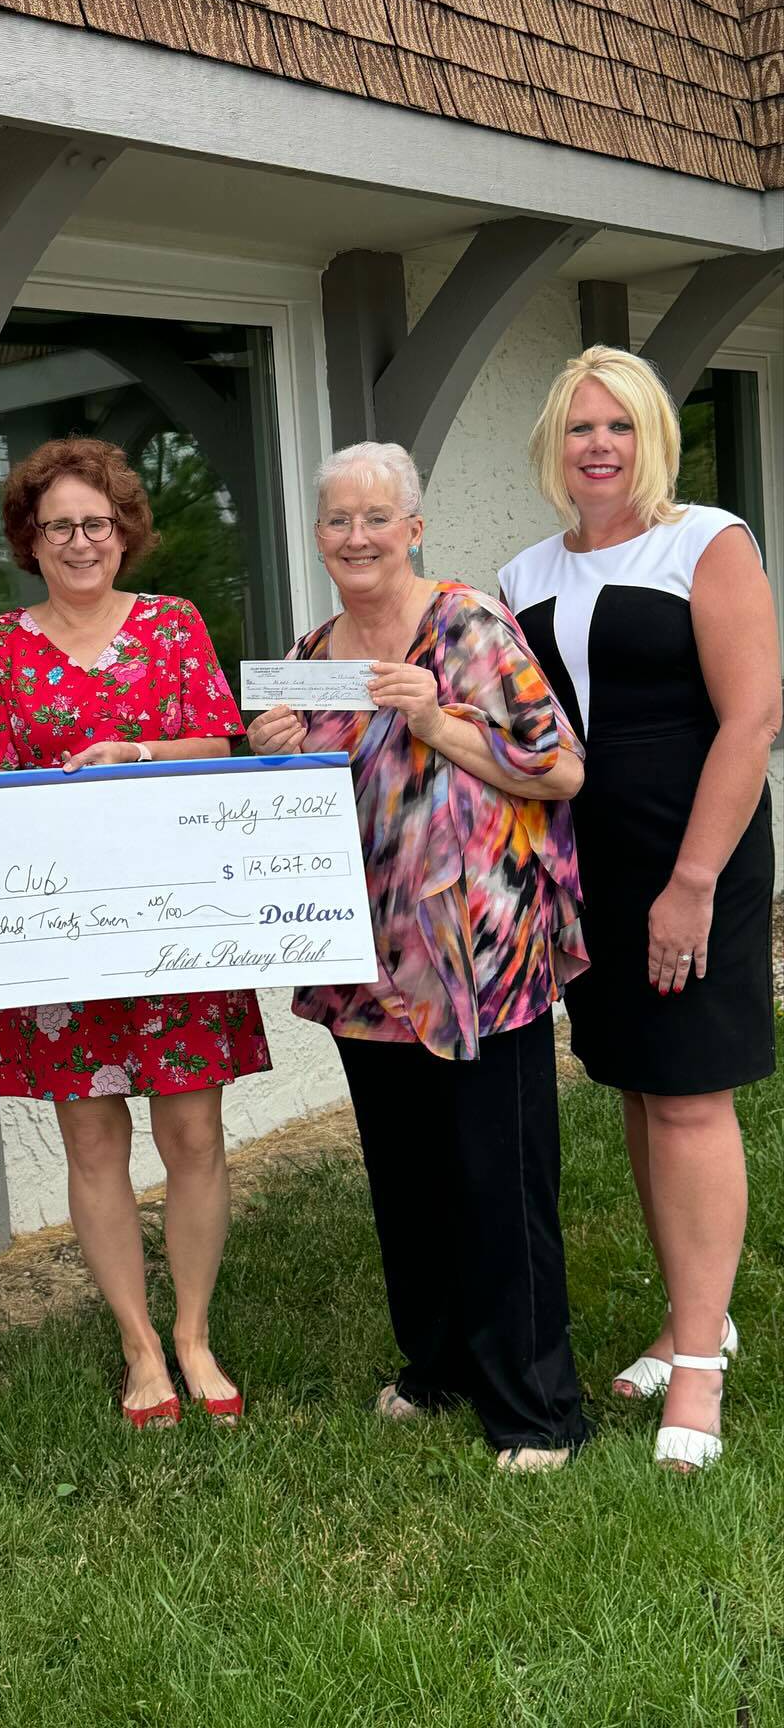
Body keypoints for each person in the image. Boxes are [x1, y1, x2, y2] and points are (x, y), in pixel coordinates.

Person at [250, 441, 592, 1472]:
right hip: (368, 960)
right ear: (319, 538)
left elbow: (561, 769)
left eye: (376, 517)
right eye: (338, 521)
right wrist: (276, 753)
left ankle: (537, 1409)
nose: (357, 537)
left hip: (480, 957)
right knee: (407, 1178)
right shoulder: (313, 652)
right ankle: (437, 1368)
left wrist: (435, 719)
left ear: (414, 528)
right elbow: (316, 798)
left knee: (499, 1178)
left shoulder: (470, 626)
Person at [0, 437, 269, 1427]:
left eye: (96, 522)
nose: (80, 541)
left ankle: (194, 1333)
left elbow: (217, 742)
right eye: (58, 527)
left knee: (193, 1133)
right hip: (58, 938)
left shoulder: (172, 627)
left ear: (123, 532)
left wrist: (131, 750)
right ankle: (139, 1346)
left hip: (174, 924)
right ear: (29, 541)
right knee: (93, 1144)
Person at [500, 347, 778, 1473]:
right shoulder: (522, 573)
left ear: (652, 436)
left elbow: (752, 719)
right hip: (587, 868)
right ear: (554, 448)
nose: (598, 446)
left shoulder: (704, 541)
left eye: (618, 425)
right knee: (634, 1087)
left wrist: (693, 884)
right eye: (578, 428)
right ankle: (683, 1317)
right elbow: (512, 732)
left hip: (691, 853)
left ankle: (702, 1372)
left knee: (690, 1100)